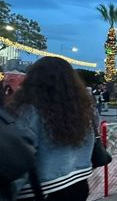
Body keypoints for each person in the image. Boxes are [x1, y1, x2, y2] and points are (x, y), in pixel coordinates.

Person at [9, 57, 94, 199]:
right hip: (78, 183)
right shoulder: (83, 109)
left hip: (42, 188)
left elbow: (19, 157)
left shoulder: (29, 111)